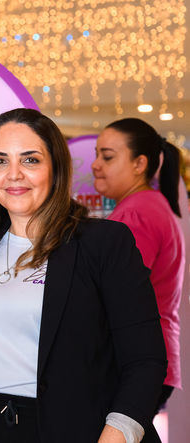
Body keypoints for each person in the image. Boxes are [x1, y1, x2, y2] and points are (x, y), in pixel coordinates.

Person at [0, 108, 166, 443]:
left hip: (76, 429)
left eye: (30, 160)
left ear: (56, 169)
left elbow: (145, 361)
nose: (14, 174)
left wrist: (115, 436)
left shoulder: (103, 244)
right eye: (0, 161)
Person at [92, 119, 185, 413]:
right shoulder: (148, 205)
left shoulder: (137, 212)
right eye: (96, 154)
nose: (95, 165)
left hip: (136, 360)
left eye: (107, 157)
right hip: (150, 356)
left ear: (139, 163)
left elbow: (118, 292)